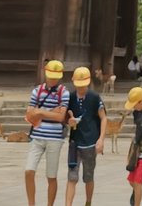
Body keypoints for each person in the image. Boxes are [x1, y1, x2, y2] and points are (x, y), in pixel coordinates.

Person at [24, 59, 79, 206]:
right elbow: (29, 114)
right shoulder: (37, 91)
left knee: (51, 176)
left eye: (55, 76)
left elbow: (61, 116)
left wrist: (40, 112)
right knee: (29, 170)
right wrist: (50, 112)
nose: (52, 79)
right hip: (37, 136)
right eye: (50, 76)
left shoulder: (64, 93)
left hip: (55, 139)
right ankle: (31, 203)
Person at [64, 66, 106, 206]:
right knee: (72, 176)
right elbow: (64, 117)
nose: (81, 88)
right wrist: (68, 121)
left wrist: (101, 139)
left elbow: (103, 118)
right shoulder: (69, 97)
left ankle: (88, 202)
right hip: (75, 143)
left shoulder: (94, 97)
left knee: (88, 177)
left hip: (90, 142)